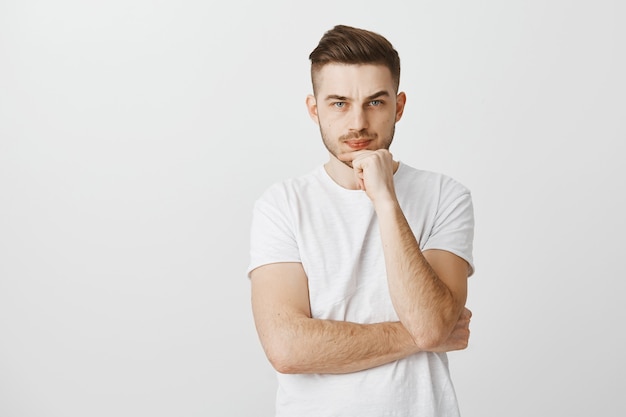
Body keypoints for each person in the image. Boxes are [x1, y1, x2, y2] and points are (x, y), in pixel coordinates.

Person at [247, 24, 475, 417]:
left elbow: (431, 323)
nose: (357, 123)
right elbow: (286, 348)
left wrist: (385, 199)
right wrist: (418, 336)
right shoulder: (281, 205)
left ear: (399, 106)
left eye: (375, 102)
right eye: (339, 103)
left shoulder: (445, 196)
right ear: (314, 109)